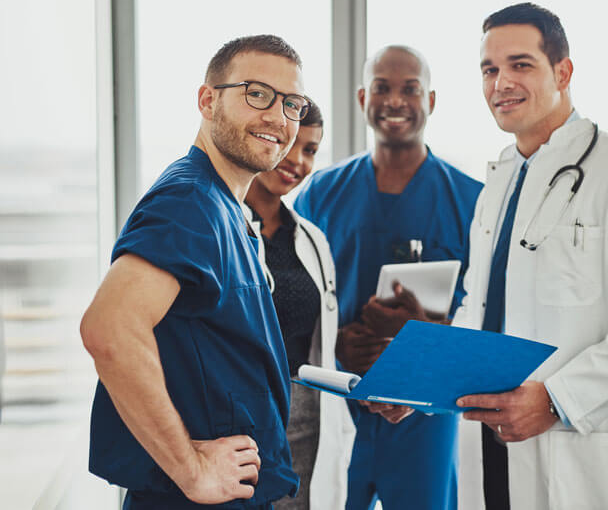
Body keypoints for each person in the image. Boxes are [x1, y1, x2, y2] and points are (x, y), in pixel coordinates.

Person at [452, 3, 608, 509]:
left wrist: (558, 399)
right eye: (489, 69)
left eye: (520, 65)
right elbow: (479, 310)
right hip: (492, 446)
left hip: (579, 450)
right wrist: (420, 384)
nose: (501, 83)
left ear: (562, 72)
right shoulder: (496, 184)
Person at [80, 34, 310, 509]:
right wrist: (192, 469)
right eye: (257, 93)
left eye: (292, 104)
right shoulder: (189, 202)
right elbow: (110, 330)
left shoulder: (227, 208)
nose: (277, 117)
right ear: (208, 101)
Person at [294, 45, 482, 510]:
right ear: (362, 98)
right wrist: (338, 343)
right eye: (382, 87)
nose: (395, 100)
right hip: (339, 402)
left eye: (410, 89)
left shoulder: (473, 201)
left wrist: (425, 340)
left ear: (431, 101)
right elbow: (292, 298)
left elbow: (484, 312)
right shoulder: (321, 193)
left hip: (424, 413)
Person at [243, 101, 355, 510]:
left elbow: (320, 343)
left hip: (307, 424)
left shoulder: (312, 240)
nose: (297, 161)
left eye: (310, 150)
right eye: (288, 144)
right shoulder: (220, 226)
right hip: (242, 423)